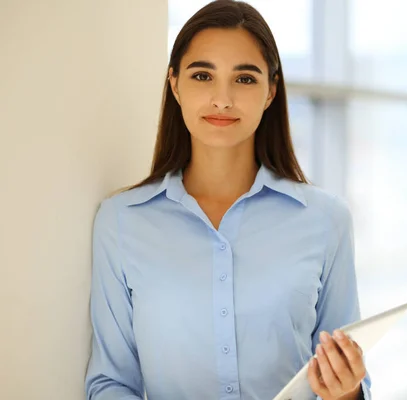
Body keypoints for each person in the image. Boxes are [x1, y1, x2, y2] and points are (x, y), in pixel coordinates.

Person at [84, 1, 371, 399]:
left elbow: (351, 381)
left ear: (271, 91)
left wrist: (347, 390)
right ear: (175, 85)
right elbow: (110, 383)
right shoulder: (120, 222)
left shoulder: (326, 220)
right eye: (203, 75)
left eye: (245, 79)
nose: (222, 99)